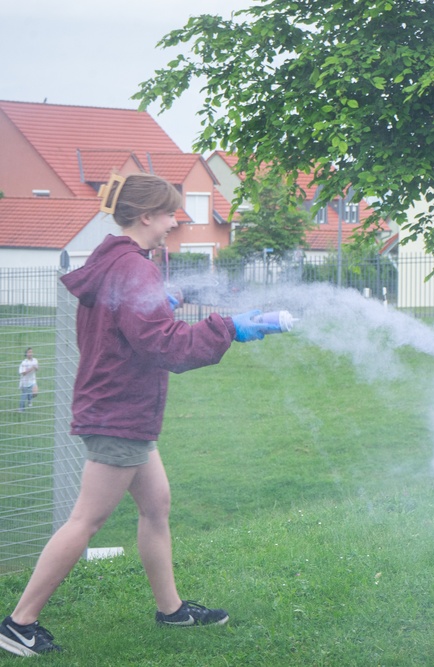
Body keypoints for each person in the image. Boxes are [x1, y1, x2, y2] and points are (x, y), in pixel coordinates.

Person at [0, 173, 279, 657]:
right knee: (86, 520)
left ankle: (170, 611)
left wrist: (162, 305)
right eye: (171, 212)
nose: (177, 220)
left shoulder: (117, 263)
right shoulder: (133, 269)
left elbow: (129, 328)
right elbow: (164, 345)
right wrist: (228, 327)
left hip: (117, 405)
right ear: (146, 215)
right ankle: (18, 623)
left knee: (157, 505)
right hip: (118, 411)